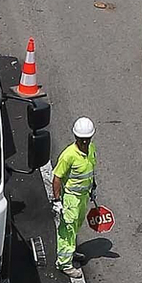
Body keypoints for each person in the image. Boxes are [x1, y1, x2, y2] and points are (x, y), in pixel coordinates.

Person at [52, 116, 97, 272]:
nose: (84, 142)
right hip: (70, 198)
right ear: (76, 137)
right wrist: (57, 200)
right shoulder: (68, 155)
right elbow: (57, 178)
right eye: (81, 139)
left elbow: (90, 168)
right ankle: (64, 263)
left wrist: (92, 187)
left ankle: (70, 253)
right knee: (67, 230)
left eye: (87, 139)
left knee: (76, 226)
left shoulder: (91, 149)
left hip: (83, 197)